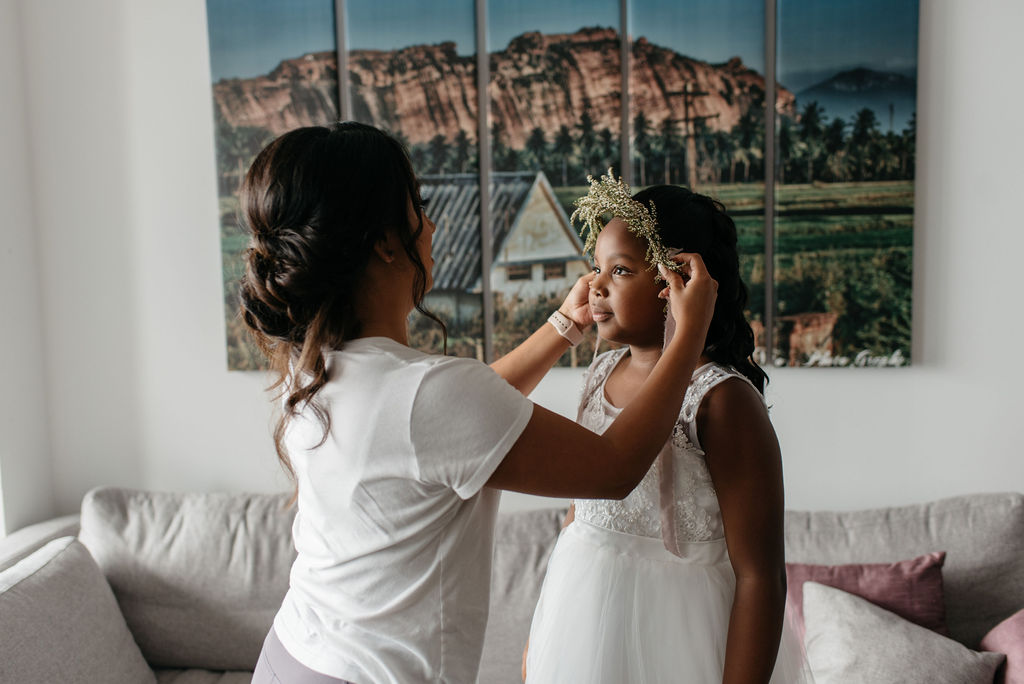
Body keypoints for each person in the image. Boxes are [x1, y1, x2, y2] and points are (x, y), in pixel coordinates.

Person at [239, 124, 718, 684]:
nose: (434, 224)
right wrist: (687, 335)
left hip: (290, 657)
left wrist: (564, 327)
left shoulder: (316, 365)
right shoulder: (427, 394)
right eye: (418, 206)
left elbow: (459, 421)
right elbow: (612, 469)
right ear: (386, 243)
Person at [522, 178, 813, 683]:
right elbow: (578, 515)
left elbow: (760, 576)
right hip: (583, 624)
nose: (596, 285)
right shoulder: (600, 372)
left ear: (675, 280)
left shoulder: (721, 400)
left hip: (680, 637)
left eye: (620, 270)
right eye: (596, 267)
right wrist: (540, 643)